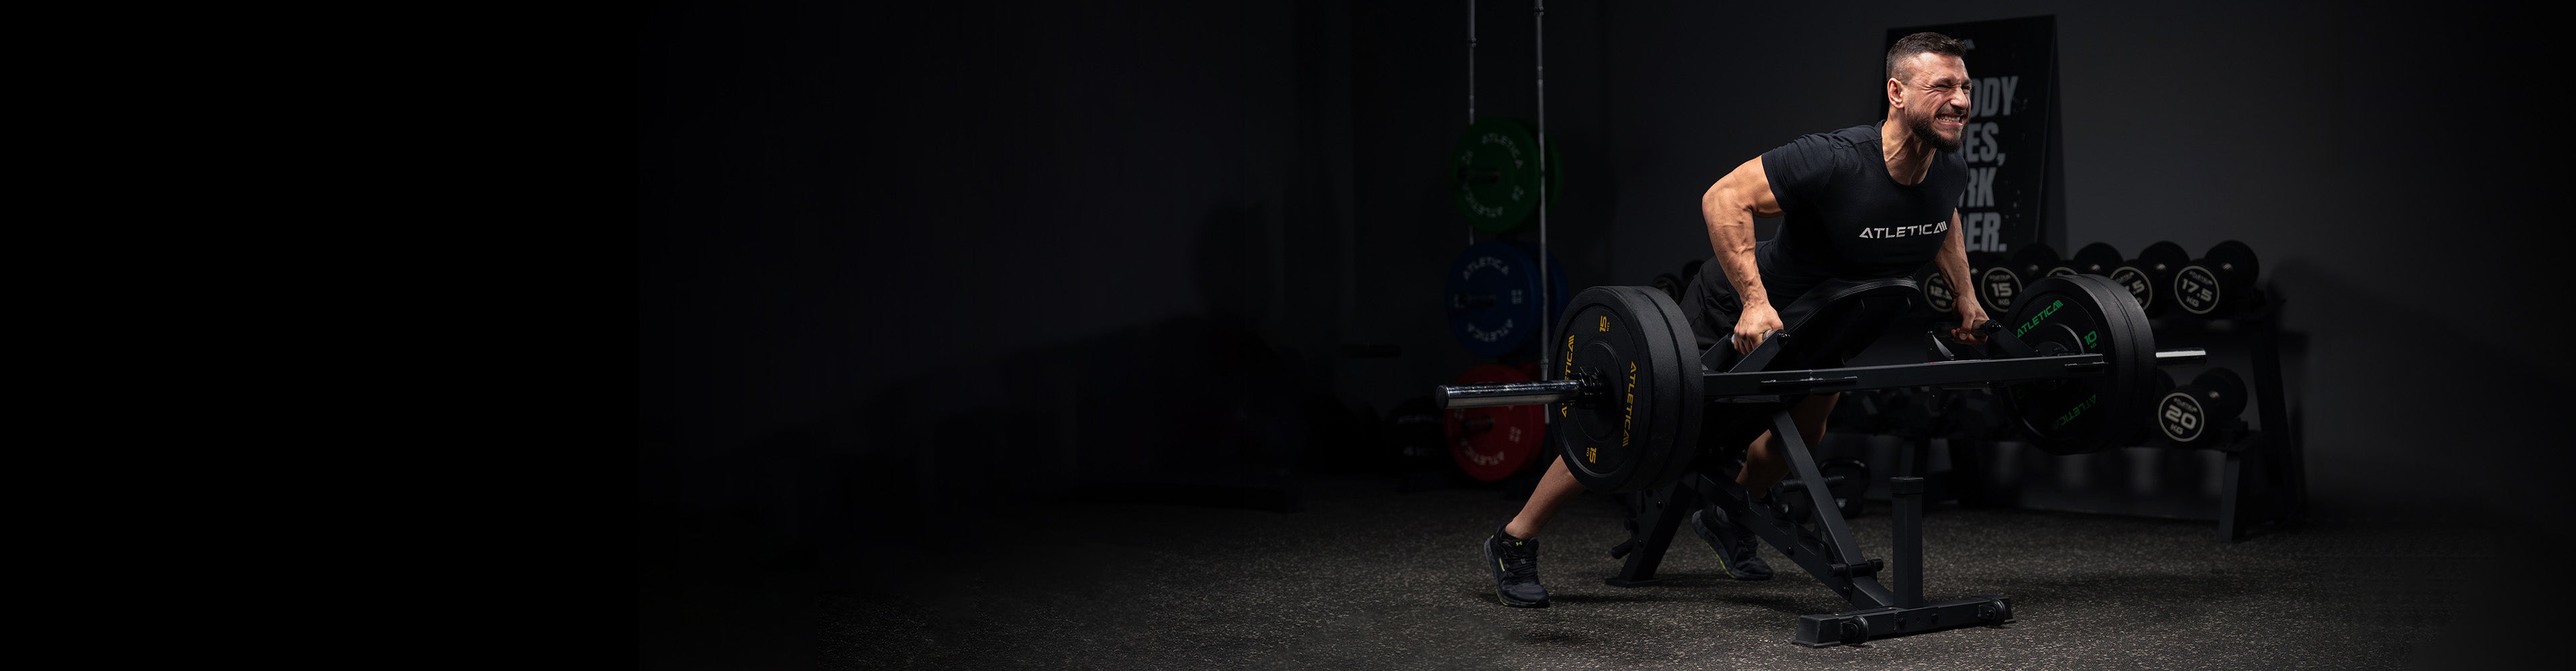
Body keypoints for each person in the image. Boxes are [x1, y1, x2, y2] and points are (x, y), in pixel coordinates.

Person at [1483, 32, 1995, 608]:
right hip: (1739, 309)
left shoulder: (1948, 169)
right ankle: (1515, 538)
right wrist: (1754, 300)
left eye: (1965, 87)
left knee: (1802, 435)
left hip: (1828, 324)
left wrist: (1966, 296)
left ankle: (1726, 517)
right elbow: (1724, 198)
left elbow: (1943, 220)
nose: (1960, 101)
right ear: (1897, 93)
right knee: (1638, 425)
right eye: (1943, 87)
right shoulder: (1835, 159)